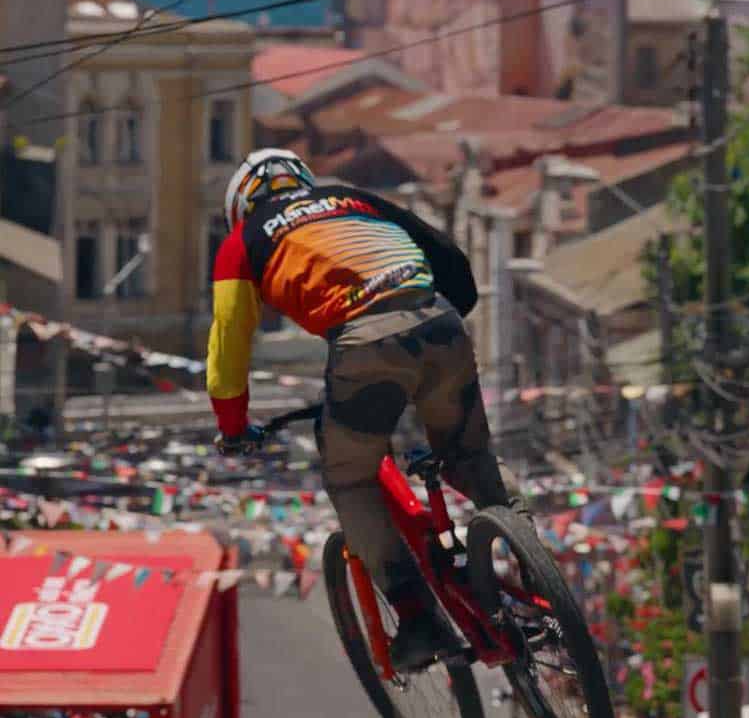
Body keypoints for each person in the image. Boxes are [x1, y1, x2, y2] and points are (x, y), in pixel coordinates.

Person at [207, 148, 522, 670]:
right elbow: (448, 256)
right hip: (439, 319)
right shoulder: (351, 198)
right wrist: (444, 319)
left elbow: (228, 343)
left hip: (363, 346)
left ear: (241, 205)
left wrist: (234, 427)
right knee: (468, 457)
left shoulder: (242, 242)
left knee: (351, 478)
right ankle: (531, 553)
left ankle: (418, 620)